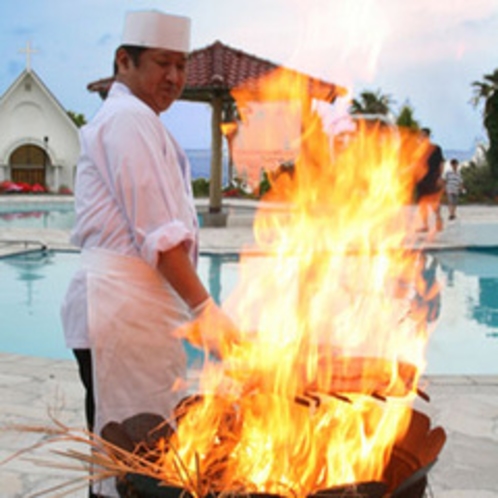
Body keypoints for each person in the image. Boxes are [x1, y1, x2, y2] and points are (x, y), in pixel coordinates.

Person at [61, 10, 237, 497]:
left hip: (131, 312)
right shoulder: (127, 120)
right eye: (162, 63)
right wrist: (206, 310)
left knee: (131, 458)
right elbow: (159, 235)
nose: (175, 78)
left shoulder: (138, 122)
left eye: (181, 66)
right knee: (136, 465)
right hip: (122, 312)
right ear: (125, 61)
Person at [414, 127, 445, 232]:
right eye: (420, 135)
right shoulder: (418, 150)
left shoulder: (435, 149)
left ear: (427, 136)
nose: (420, 137)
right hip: (421, 180)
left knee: (434, 202)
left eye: (422, 135)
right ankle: (425, 225)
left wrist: (440, 177)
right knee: (422, 203)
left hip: (432, 178)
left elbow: (441, 163)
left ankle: (438, 220)